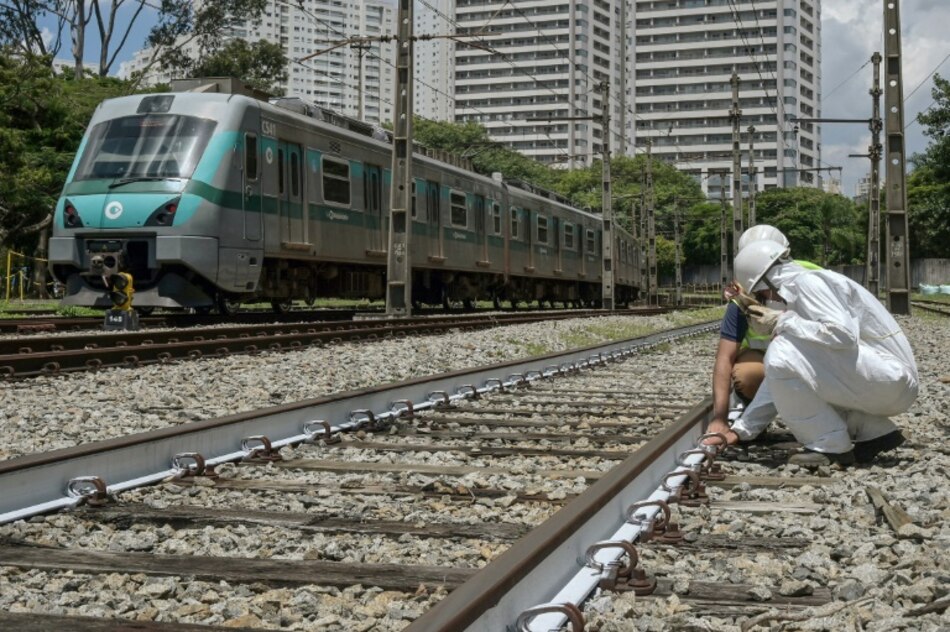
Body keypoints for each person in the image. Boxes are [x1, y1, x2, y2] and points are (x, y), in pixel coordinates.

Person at [714, 240, 917, 467]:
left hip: (891, 379)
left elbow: (843, 335)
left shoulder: (807, 284)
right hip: (889, 381)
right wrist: (742, 430)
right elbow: (779, 378)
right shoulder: (805, 287)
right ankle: (872, 430)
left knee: (781, 350)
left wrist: (782, 321)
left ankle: (831, 445)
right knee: (795, 364)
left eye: (761, 292)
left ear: (767, 281)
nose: (766, 298)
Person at [707, 225, 820, 443]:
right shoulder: (743, 298)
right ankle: (757, 414)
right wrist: (719, 417)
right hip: (766, 360)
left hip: (813, 356)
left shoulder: (812, 278)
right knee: (747, 375)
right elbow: (724, 357)